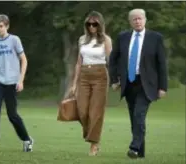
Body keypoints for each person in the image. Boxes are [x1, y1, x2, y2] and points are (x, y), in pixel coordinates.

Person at [109, 9, 168, 159]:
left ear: (145, 20)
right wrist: (114, 80)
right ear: (130, 22)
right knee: (134, 118)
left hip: (147, 84)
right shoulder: (122, 37)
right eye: (134, 19)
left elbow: (162, 64)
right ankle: (140, 153)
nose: (137, 21)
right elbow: (113, 59)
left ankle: (134, 148)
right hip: (129, 83)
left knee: (138, 115)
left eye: (140, 18)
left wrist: (162, 87)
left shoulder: (155, 38)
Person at [0, 14, 34, 152]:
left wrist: (21, 80)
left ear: (7, 26)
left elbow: (24, 60)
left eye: (0, 26)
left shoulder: (14, 40)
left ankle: (27, 140)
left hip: (12, 82)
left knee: (12, 115)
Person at [70, 11, 112, 156]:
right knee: (82, 110)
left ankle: (94, 144)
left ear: (100, 25)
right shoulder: (82, 39)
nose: (92, 27)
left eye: (95, 24)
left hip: (100, 75)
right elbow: (78, 62)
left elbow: (110, 61)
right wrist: (74, 83)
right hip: (84, 75)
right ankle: (92, 135)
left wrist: (115, 80)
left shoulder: (106, 40)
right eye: (89, 24)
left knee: (96, 112)